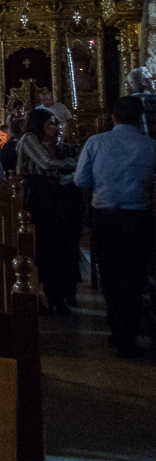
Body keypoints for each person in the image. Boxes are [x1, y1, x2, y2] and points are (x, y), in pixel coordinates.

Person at [74, 96, 156, 358]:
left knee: (109, 273)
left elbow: (80, 179)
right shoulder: (150, 146)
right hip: (137, 218)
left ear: (113, 116)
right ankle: (126, 336)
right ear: (139, 118)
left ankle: (116, 329)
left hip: (105, 217)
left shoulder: (96, 142)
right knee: (132, 276)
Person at [17, 108, 78, 314]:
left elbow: (58, 178)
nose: (56, 127)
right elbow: (46, 163)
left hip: (51, 197)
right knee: (41, 248)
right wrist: (78, 164)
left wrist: (76, 177)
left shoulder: (55, 146)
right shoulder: (29, 139)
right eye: (51, 123)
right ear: (39, 123)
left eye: (57, 124)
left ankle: (56, 297)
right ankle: (37, 298)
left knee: (55, 248)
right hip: (36, 199)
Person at [126, 66, 156, 139]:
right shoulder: (153, 100)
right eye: (151, 79)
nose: (154, 82)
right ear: (143, 82)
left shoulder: (125, 103)